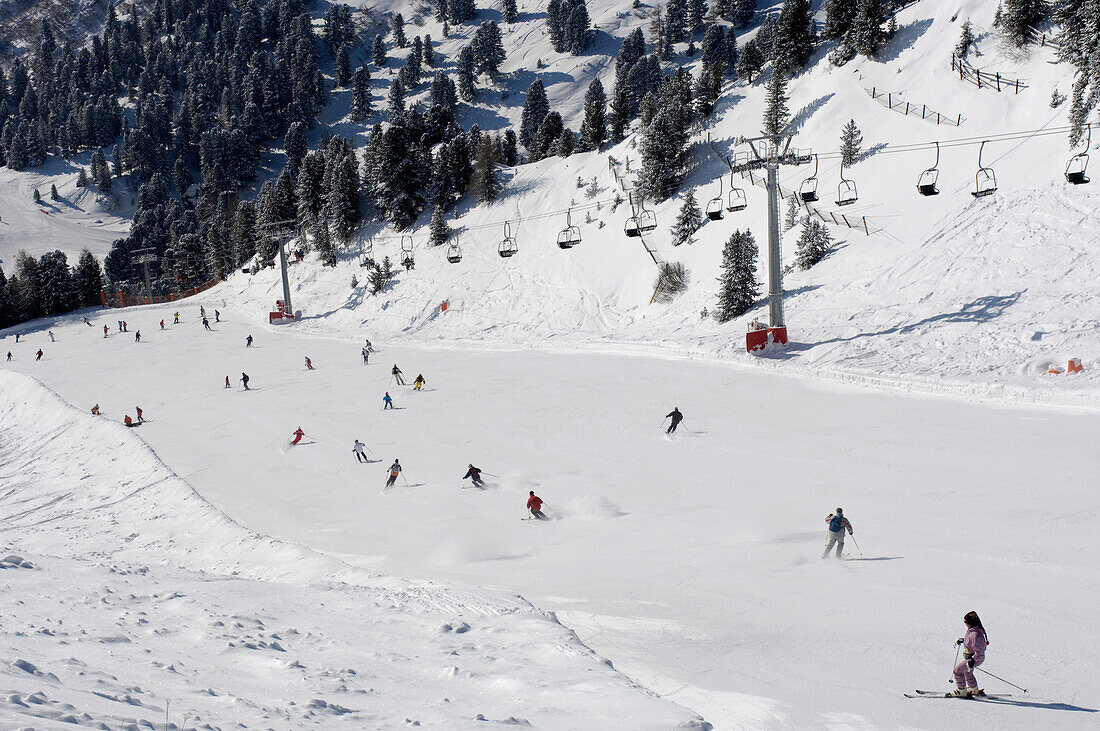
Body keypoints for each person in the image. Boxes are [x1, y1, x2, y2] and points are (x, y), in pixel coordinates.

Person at [953, 611, 989, 697]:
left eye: (965, 622)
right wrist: (963, 640)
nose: (964, 623)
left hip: (974, 658)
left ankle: (961, 691)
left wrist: (973, 661)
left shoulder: (976, 634)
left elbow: (980, 651)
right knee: (967, 672)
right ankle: (973, 689)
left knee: (957, 671)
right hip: (970, 657)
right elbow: (971, 641)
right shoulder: (972, 631)